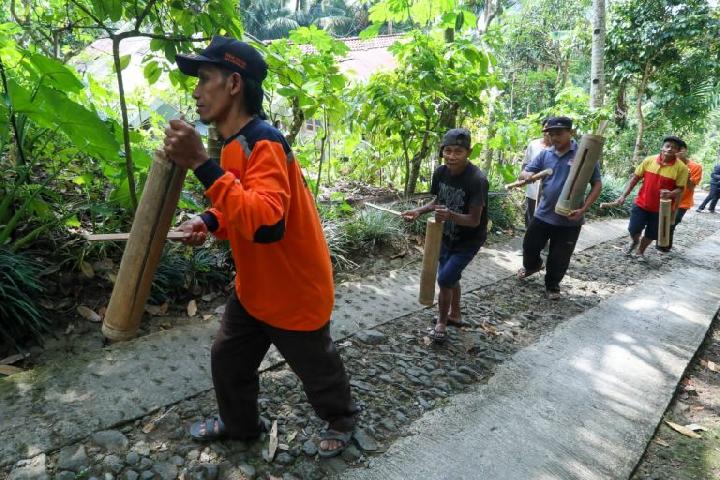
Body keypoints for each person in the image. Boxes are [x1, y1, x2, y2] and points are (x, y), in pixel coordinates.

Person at [162, 36, 357, 457]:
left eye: (205, 78)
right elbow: (240, 205)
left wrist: (200, 164)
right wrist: (207, 220)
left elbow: (267, 223)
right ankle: (242, 425)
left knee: (316, 369)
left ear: (234, 84)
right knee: (227, 358)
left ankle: (341, 417)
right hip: (255, 287)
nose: (196, 90)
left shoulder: (262, 140)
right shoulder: (233, 145)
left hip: (294, 288)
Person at [401, 128, 489, 344]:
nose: (451, 156)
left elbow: (474, 220)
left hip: (469, 240)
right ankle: (456, 315)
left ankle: (441, 322)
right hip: (445, 235)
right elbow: (438, 202)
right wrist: (419, 211)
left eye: (458, 151)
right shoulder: (440, 172)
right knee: (452, 277)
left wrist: (450, 215)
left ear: (468, 152)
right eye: (447, 151)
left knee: (445, 278)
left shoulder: (477, 179)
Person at [516, 116, 602, 299]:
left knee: (560, 256)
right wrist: (527, 175)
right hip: (544, 213)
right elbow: (526, 171)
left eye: (559, 133)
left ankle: (552, 286)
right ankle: (533, 265)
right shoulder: (546, 154)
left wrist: (584, 208)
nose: (554, 138)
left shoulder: (585, 155)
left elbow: (597, 184)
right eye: (551, 134)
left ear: (570, 133)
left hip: (571, 218)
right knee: (529, 246)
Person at [611, 135, 688, 261]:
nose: (669, 149)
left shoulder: (682, 168)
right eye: (667, 146)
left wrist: (670, 193)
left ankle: (640, 252)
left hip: (662, 209)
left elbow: (680, 188)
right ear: (662, 147)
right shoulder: (649, 160)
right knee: (633, 228)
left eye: (673, 148)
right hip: (641, 203)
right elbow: (635, 178)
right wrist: (623, 196)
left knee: (652, 233)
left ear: (677, 151)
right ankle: (635, 241)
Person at [657, 142, 701, 252]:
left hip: (683, 202)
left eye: (682, 150)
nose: (679, 153)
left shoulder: (696, 167)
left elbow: (691, 187)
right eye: (677, 150)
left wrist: (687, 175)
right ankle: (662, 244)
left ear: (686, 151)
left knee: (672, 223)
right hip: (667, 200)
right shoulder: (667, 163)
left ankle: (664, 246)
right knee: (662, 221)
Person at [521, 119, 551, 227]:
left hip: (548, 195)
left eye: (551, 129)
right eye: (546, 129)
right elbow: (525, 164)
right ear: (542, 129)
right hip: (532, 190)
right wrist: (524, 177)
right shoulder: (533, 145)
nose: (548, 132)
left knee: (544, 223)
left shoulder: (556, 148)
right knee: (530, 220)